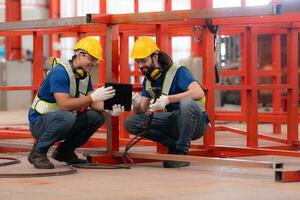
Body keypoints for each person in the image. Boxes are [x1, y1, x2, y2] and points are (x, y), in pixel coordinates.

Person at [28, 37, 123, 169]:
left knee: (97, 117)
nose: (94, 63)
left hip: (62, 121)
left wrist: (108, 108)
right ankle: (38, 152)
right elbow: (64, 105)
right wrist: (93, 97)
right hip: (39, 123)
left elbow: (93, 102)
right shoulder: (60, 72)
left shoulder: (84, 75)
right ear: (79, 55)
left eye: (96, 60)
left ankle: (64, 152)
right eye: (91, 59)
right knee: (68, 116)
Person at [124, 37, 210, 168]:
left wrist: (168, 99)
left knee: (186, 104)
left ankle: (181, 152)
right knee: (131, 122)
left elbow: (198, 92)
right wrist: (135, 104)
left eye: (143, 61)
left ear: (155, 57)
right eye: (137, 62)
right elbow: (141, 109)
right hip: (173, 120)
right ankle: (173, 145)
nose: (140, 66)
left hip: (197, 122)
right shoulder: (148, 81)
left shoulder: (178, 72)